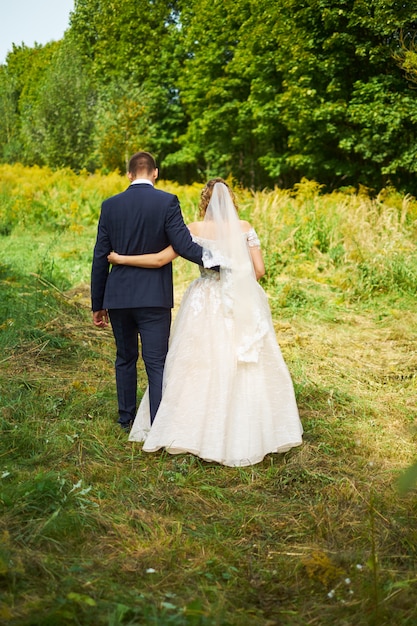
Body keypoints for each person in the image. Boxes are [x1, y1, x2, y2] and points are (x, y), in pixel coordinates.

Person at [108, 178, 303, 466]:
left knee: (196, 362)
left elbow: (161, 260)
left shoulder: (194, 230)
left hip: (204, 299)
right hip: (240, 299)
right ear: (231, 201)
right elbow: (259, 271)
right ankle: (246, 430)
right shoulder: (245, 228)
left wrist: (121, 259)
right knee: (242, 360)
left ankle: (186, 428)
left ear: (204, 201)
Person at [91, 151, 215, 431]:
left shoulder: (110, 206)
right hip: (154, 297)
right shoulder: (167, 202)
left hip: (119, 297)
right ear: (155, 173)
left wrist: (97, 303)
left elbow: (100, 256)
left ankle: (126, 420)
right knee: (156, 362)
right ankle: (158, 424)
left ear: (129, 174)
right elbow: (184, 246)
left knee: (125, 358)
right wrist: (219, 262)